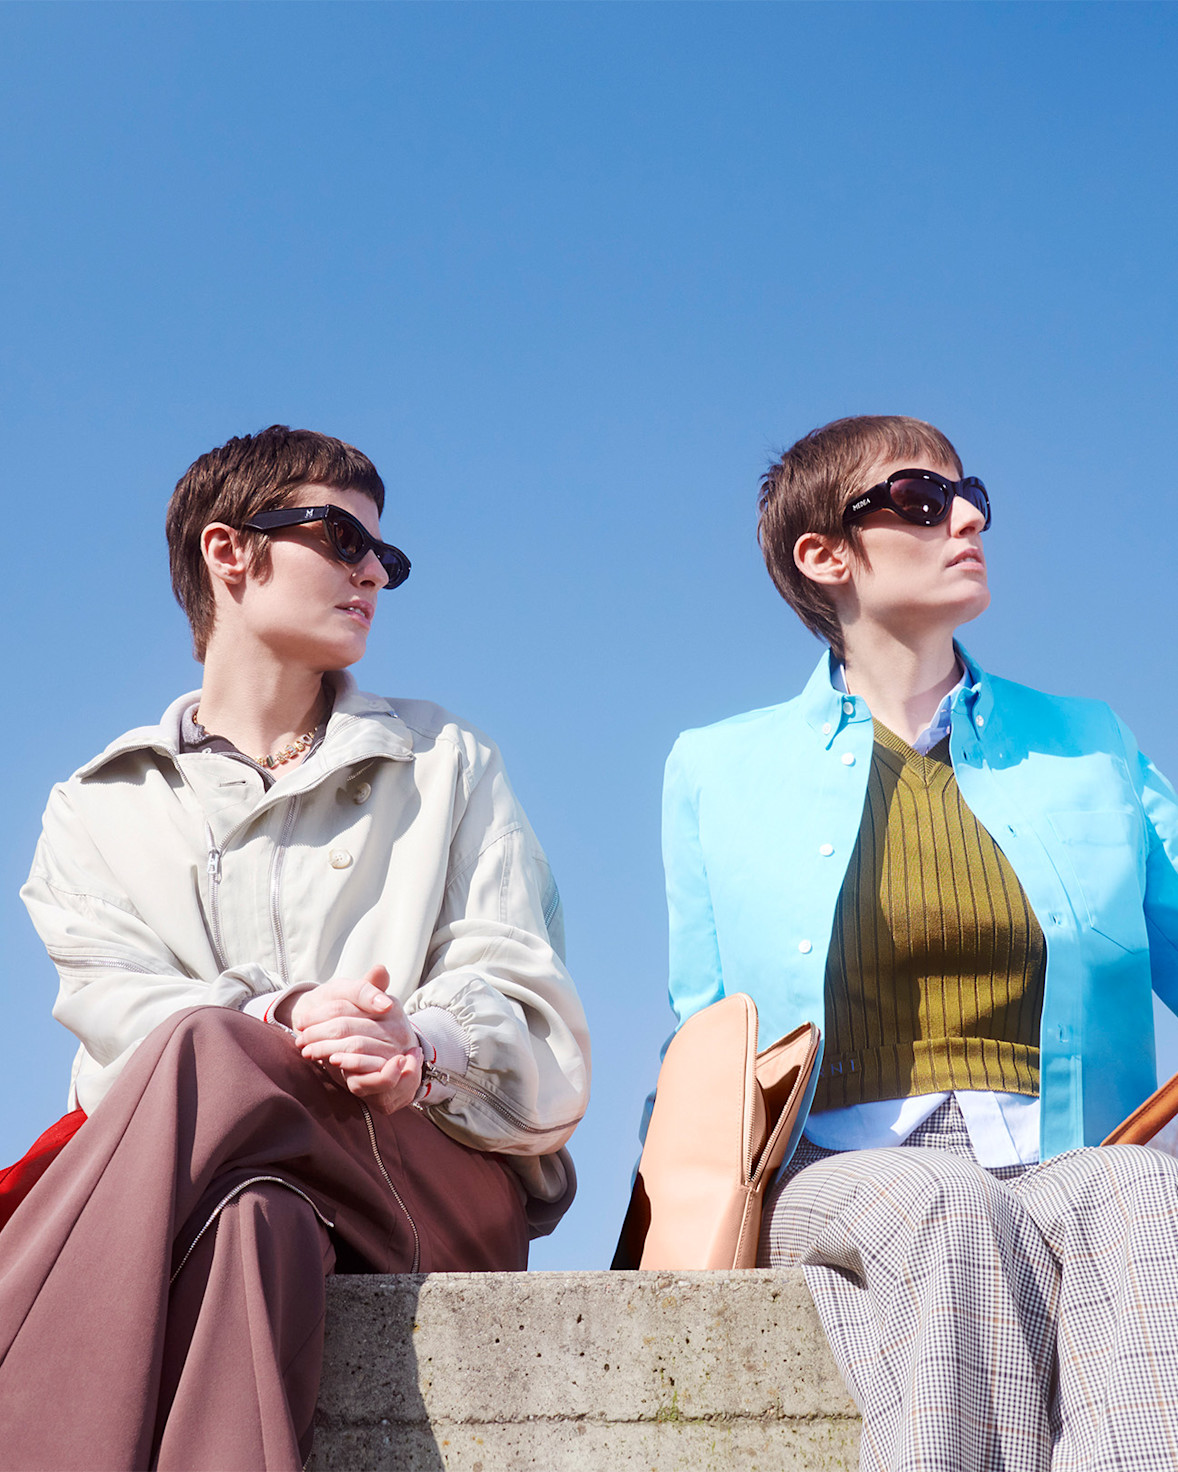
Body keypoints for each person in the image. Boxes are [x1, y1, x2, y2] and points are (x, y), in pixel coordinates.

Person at [0, 425, 590, 1471]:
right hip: (201, 1193)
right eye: (339, 536)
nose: (373, 570)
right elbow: (113, 1016)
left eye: (386, 558)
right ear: (229, 552)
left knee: (201, 1046)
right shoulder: (91, 809)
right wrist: (281, 1022)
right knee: (250, 1222)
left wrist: (419, 1040)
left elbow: (532, 1013)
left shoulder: (446, 760)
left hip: (424, 1186)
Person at [658, 414, 1178, 1472]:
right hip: (834, 1171)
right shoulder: (713, 769)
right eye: (920, 498)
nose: (968, 516)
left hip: (1072, 1150)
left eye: (968, 491)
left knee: (1141, 1194)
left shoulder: (1089, 742)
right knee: (943, 1206)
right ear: (824, 554)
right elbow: (704, 1030)